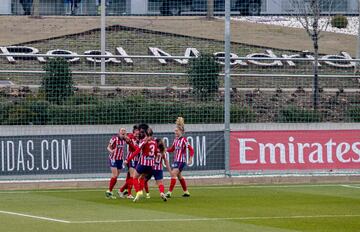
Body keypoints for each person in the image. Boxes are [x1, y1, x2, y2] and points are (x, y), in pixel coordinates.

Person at [124, 124, 157, 202]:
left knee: (134, 177)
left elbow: (136, 152)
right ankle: (141, 191)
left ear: (146, 134)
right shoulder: (154, 142)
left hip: (142, 164)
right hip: (151, 165)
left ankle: (138, 191)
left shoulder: (144, 142)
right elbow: (155, 153)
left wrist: (127, 160)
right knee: (142, 178)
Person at [166, 117, 194, 198]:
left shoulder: (184, 140)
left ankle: (169, 193)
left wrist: (190, 159)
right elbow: (172, 149)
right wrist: (165, 150)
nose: (175, 132)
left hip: (181, 161)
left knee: (173, 174)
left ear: (181, 131)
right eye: (175, 130)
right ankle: (186, 192)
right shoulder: (176, 140)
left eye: (177, 131)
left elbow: (191, 150)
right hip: (176, 161)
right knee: (179, 176)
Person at [105, 128, 136, 199]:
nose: (123, 132)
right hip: (113, 158)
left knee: (116, 176)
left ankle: (110, 191)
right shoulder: (114, 139)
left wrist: (127, 138)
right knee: (115, 175)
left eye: (124, 131)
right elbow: (108, 147)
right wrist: (111, 151)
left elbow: (130, 140)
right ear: (119, 132)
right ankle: (109, 191)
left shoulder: (124, 139)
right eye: (122, 130)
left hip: (120, 159)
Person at [144, 137, 171, 202]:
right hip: (158, 169)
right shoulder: (162, 151)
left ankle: (147, 193)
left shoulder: (152, 150)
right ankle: (161, 192)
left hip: (150, 167)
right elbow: (166, 161)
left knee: (144, 181)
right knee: (160, 183)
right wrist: (170, 170)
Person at [118, 125, 140, 199]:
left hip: (137, 159)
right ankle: (128, 193)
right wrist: (124, 135)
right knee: (133, 176)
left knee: (130, 177)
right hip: (131, 159)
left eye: (138, 132)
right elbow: (127, 139)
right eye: (136, 132)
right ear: (134, 132)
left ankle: (122, 190)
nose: (138, 134)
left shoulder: (139, 139)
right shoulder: (130, 136)